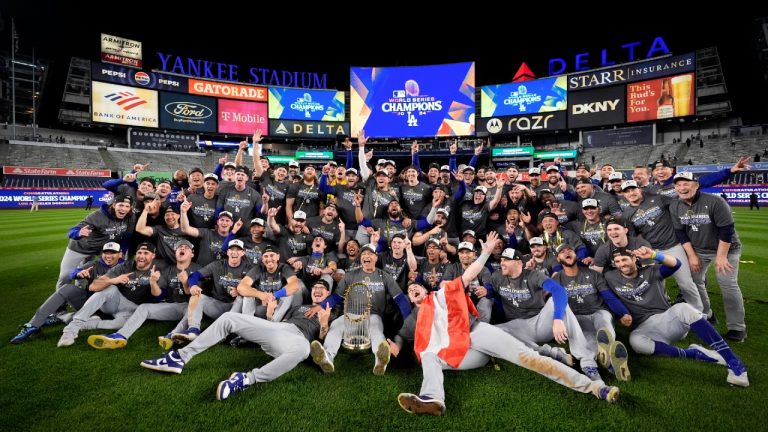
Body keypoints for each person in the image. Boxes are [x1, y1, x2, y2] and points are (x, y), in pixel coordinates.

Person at [394, 238, 619, 416]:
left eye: (417, 287)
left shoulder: (440, 296)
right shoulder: (416, 316)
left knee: (530, 358)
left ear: (426, 290)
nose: (414, 290)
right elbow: (403, 336)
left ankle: (594, 387)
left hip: (476, 333)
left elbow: (470, 274)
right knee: (429, 357)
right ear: (411, 298)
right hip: (462, 353)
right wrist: (394, 346)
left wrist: (485, 252)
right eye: (410, 290)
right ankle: (432, 399)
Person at [140, 279, 337, 401]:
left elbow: (320, 342)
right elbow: (274, 327)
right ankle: (180, 357)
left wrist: (324, 323)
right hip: (283, 328)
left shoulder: (332, 312)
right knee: (229, 318)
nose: (318, 290)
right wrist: (269, 315)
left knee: (303, 350)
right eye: (315, 288)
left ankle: (245, 379)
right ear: (311, 292)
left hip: (300, 340)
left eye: (322, 289)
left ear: (328, 294)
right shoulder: (299, 307)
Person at [604, 246, 748, 387]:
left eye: (624, 259)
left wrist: (654, 255)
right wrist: (622, 315)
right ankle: (695, 354)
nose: (622, 264)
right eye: (617, 262)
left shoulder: (651, 271)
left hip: (668, 320)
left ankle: (734, 362)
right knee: (635, 341)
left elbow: (676, 264)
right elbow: (607, 297)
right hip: (645, 327)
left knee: (683, 308)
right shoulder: (611, 277)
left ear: (634, 258)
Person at [309, 243, 411, 376]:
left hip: (372, 315)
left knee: (376, 329)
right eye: (363, 254)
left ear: (375, 258)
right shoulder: (350, 275)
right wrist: (320, 306)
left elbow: (400, 299)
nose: (366, 256)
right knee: (335, 326)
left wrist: (408, 319)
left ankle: (380, 360)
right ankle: (327, 357)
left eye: (369, 254)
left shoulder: (384, 276)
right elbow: (336, 297)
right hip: (350, 316)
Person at [670, 172, 747, 341]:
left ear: (696, 185)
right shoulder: (675, 205)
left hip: (727, 249)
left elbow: (726, 230)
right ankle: (707, 314)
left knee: (728, 285)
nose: (682, 188)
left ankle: (737, 328)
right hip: (699, 249)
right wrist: (692, 256)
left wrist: (721, 256)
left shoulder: (715, 201)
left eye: (686, 184)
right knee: (694, 281)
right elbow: (681, 233)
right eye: (678, 185)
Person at [85, 240, 200, 349]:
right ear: (175, 253)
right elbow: (158, 296)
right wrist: (153, 282)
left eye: (186, 248)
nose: (182, 248)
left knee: (191, 309)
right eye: (180, 247)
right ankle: (120, 336)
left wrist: (185, 282)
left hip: (191, 306)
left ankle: (172, 335)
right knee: (144, 307)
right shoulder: (168, 269)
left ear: (192, 254)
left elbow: (197, 295)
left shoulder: (198, 270)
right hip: (172, 306)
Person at [10, 242, 124, 344]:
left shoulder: (127, 267)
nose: (108, 256)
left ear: (120, 254)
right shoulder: (94, 264)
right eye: (106, 252)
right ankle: (33, 325)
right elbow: (72, 272)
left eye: (113, 253)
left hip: (112, 309)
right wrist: (78, 273)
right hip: (90, 305)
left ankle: (66, 318)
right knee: (66, 288)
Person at [57, 242, 161, 347]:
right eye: (139, 252)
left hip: (134, 309)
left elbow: (158, 298)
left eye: (146, 253)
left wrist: (153, 283)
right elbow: (93, 286)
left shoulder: (160, 269)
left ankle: (80, 322)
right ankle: (71, 329)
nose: (141, 256)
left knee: (119, 325)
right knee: (110, 288)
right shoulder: (124, 266)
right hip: (117, 301)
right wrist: (113, 280)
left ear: (153, 255)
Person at [54, 194, 134, 291]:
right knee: (65, 275)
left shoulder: (130, 217)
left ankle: (87, 291)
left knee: (112, 268)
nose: (124, 209)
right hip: (80, 247)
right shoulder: (98, 216)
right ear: (114, 205)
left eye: (127, 206)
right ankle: (61, 301)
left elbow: (127, 236)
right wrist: (78, 233)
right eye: (121, 205)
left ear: (130, 208)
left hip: (102, 249)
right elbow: (73, 230)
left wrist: (122, 251)